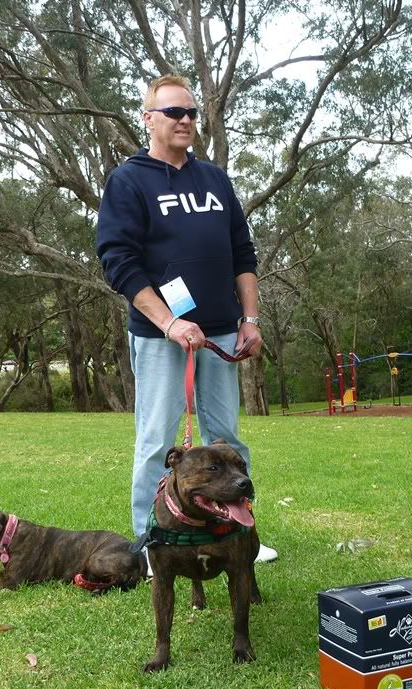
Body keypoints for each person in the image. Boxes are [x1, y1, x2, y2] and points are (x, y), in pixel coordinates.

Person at [96, 74, 277, 567]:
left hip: (221, 333)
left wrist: (250, 318)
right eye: (175, 112)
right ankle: (152, 544)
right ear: (148, 118)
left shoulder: (215, 179)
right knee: (157, 440)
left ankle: (237, 536)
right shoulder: (129, 180)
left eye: (192, 113)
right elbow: (118, 261)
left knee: (229, 442)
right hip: (161, 336)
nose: (186, 121)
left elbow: (243, 253)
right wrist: (169, 323)